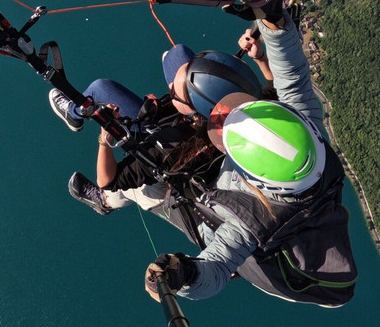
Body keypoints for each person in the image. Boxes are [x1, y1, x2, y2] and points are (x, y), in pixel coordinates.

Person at [144, 0, 358, 307]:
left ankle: (109, 198)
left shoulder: (252, 220)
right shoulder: (302, 126)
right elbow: (292, 70)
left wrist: (183, 275)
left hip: (270, 260)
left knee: (148, 192)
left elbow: (215, 268)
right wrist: (271, 16)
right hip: (298, 209)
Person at [48, 41, 266, 218]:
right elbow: (274, 91)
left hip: (165, 152)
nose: (169, 88)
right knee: (179, 52)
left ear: (192, 107)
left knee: (135, 191)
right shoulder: (240, 110)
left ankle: (104, 202)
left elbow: (107, 179)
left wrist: (105, 139)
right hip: (178, 123)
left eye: (174, 92)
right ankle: (188, 80)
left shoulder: (169, 149)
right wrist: (260, 58)